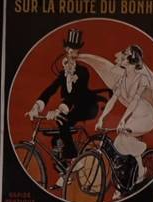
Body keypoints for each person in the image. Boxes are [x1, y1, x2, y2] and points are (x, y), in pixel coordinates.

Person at [80, 44, 153, 197]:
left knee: (124, 135)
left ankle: (141, 171)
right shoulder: (122, 79)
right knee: (118, 145)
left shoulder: (142, 78)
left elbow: (134, 102)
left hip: (146, 116)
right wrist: (101, 119)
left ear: (131, 59)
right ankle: (124, 181)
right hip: (134, 115)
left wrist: (122, 120)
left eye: (125, 53)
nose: (120, 56)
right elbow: (112, 100)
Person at [26, 29, 107, 180]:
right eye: (70, 50)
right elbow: (50, 90)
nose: (72, 54)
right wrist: (36, 107)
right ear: (66, 50)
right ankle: (65, 173)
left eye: (75, 51)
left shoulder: (83, 72)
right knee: (55, 139)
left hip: (87, 107)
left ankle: (76, 159)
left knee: (61, 120)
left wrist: (59, 110)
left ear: (77, 53)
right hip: (71, 108)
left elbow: (75, 96)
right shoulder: (63, 74)